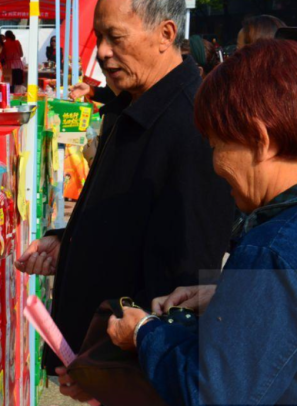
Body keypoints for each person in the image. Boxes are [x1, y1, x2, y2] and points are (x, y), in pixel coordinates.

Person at [14, 0, 234, 402]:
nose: (103, 52)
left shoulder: (192, 124)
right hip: (103, 360)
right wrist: (67, 239)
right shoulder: (133, 102)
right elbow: (122, 209)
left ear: (166, 34)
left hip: (134, 374)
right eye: (100, 38)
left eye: (117, 37)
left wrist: (125, 374)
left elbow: (187, 275)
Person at [108, 39, 297, 406]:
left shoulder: (269, 248)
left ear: (260, 140)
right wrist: (229, 295)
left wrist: (144, 333)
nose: (214, 164)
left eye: (216, 145)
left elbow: (214, 391)